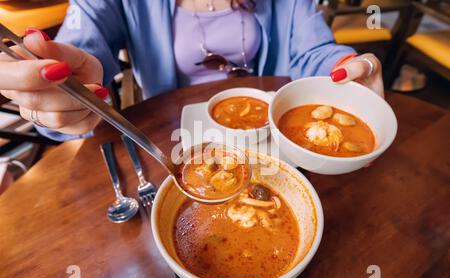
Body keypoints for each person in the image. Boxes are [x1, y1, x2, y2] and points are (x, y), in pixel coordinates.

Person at [0, 0, 384, 141]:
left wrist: (345, 69)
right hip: (176, 139)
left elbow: (314, 51)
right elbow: (83, 45)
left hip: (271, 136)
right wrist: (65, 92)